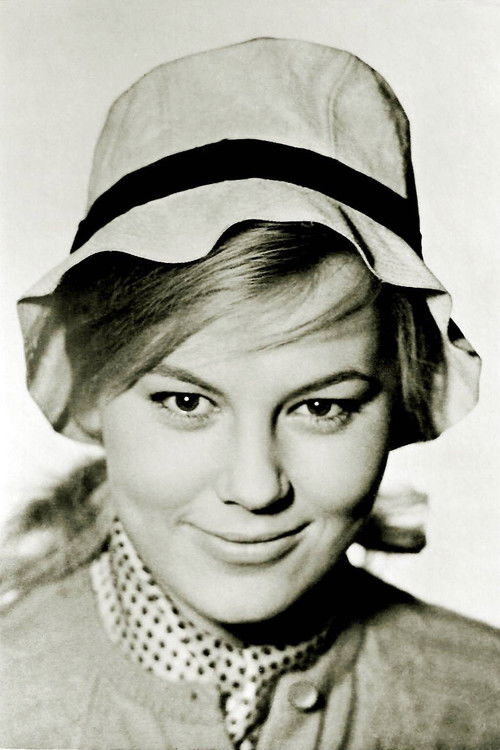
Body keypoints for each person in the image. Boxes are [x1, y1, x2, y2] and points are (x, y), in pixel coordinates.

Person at [1, 37, 498, 750]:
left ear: (403, 397)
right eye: (186, 403)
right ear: (90, 390)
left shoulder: (482, 705)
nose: (256, 487)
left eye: (322, 407)